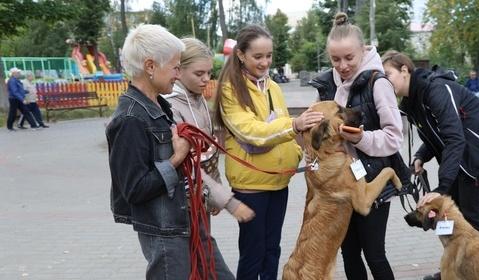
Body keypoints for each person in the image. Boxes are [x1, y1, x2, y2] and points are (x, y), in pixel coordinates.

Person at [105, 24, 235, 279]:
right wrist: (177, 159)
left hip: (188, 218)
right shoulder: (130, 119)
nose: (178, 74)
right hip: (166, 229)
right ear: (151, 66)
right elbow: (134, 189)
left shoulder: (159, 107)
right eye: (175, 67)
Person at [381, 51, 479, 280]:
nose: (384, 80)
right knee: (450, 219)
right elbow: (434, 134)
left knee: (474, 219)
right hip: (458, 156)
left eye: (387, 74)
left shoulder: (435, 90)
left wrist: (442, 187)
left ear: (405, 70)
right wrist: (420, 156)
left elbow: (453, 137)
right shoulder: (412, 101)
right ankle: (453, 269)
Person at [213, 24, 323, 280]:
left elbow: (281, 124)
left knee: (272, 250)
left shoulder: (271, 86)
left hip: (278, 181)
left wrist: (296, 153)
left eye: (269, 56)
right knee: (253, 253)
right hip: (252, 186)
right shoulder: (231, 89)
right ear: (240, 54)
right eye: (258, 56)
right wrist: (296, 124)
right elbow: (253, 132)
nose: (265, 62)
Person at [309, 13, 404, 280]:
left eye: (349, 58)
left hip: (372, 179)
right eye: (335, 59)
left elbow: (394, 137)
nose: (342, 65)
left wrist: (361, 139)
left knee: (374, 255)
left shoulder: (378, 83)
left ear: (363, 51)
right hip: (338, 187)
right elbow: (314, 130)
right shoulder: (324, 84)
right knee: (349, 254)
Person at [163, 37, 255, 222]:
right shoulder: (171, 107)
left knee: (205, 248)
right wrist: (226, 202)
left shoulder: (198, 99)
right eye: (199, 74)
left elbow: (208, 155)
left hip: (202, 196)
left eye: (209, 72)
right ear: (178, 71)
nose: (206, 79)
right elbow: (188, 164)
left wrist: (214, 193)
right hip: (182, 204)